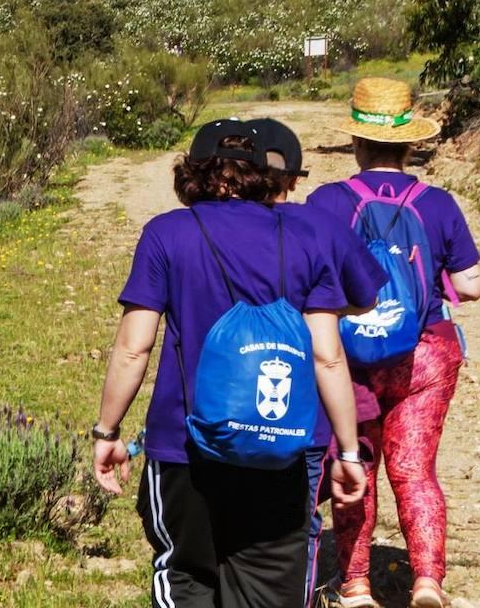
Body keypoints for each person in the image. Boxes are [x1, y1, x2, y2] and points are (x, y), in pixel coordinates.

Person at [94, 119, 369, 608]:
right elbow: (328, 356)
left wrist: (107, 433)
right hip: (278, 447)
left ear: (194, 173)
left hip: (185, 450)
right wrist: (347, 453)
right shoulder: (305, 237)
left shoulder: (166, 233)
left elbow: (134, 347)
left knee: (185, 576)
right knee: (267, 593)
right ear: (264, 172)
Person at [304, 78, 480, 608]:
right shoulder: (439, 203)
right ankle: (427, 580)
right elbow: (472, 285)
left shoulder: (326, 201)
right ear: (410, 145)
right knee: (416, 468)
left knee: (354, 462)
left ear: (356, 144)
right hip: (424, 352)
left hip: (347, 358)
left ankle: (356, 583)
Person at [250, 117, 386, 607]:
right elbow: (368, 297)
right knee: (296, 522)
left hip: (221, 406)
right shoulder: (322, 227)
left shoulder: (210, 228)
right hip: (301, 412)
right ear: (294, 177)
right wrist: (321, 306)